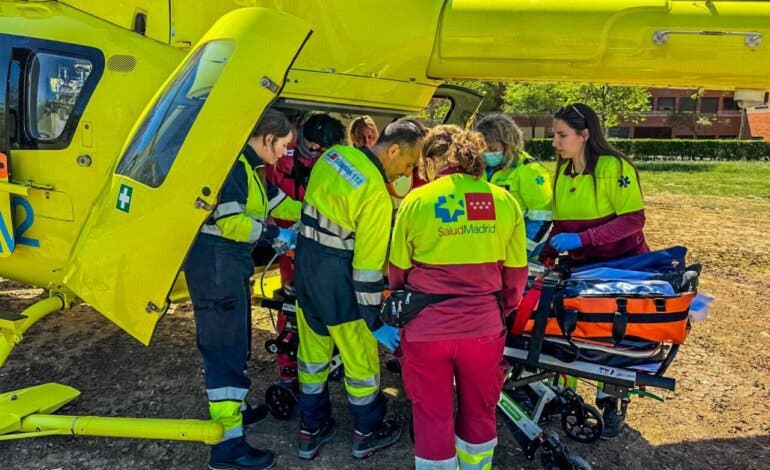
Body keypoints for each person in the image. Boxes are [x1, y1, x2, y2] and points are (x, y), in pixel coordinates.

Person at [390, 125, 528, 469]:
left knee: (431, 415)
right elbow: (515, 277)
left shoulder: (417, 200)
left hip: (425, 330)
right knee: (480, 410)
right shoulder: (502, 200)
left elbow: (397, 272)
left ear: (436, 161)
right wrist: (498, 310)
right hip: (483, 329)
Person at [292, 118, 426, 460]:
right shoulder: (377, 197)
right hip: (340, 286)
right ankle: (367, 431)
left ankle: (311, 428)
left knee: (312, 355)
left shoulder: (334, 156)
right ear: (393, 150)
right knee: (361, 363)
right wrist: (374, 320)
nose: (405, 173)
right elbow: (366, 271)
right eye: (408, 164)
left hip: (306, 271)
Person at [184, 108, 301, 470]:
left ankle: (235, 412)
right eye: (283, 145)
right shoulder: (234, 166)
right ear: (267, 138)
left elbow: (282, 203)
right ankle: (228, 447)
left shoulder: (252, 169)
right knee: (224, 351)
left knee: (238, 340)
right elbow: (231, 221)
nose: (285, 153)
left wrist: (321, 212)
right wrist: (273, 234)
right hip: (216, 264)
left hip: (227, 264)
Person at [540, 102, 650, 439]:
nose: (555, 142)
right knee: (576, 334)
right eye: (553, 135)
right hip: (583, 268)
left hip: (620, 267)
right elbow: (560, 225)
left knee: (615, 339)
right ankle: (562, 393)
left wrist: (583, 238)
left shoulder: (612, 167)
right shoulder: (562, 171)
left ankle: (611, 400)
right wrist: (543, 254)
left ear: (585, 135)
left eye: (562, 135)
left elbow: (633, 220)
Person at [264, 113, 346, 383]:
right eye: (316, 149)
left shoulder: (338, 163)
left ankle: (327, 354)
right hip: (293, 242)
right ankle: (287, 363)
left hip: (322, 241)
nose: (320, 154)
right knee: (292, 302)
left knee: (326, 299)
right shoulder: (280, 160)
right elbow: (275, 200)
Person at [475, 113, 552, 258]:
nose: (486, 153)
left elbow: (542, 218)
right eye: (482, 149)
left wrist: (519, 252)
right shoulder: (481, 169)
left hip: (525, 250)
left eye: (491, 149)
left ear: (508, 144)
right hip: (493, 249)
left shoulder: (529, 170)